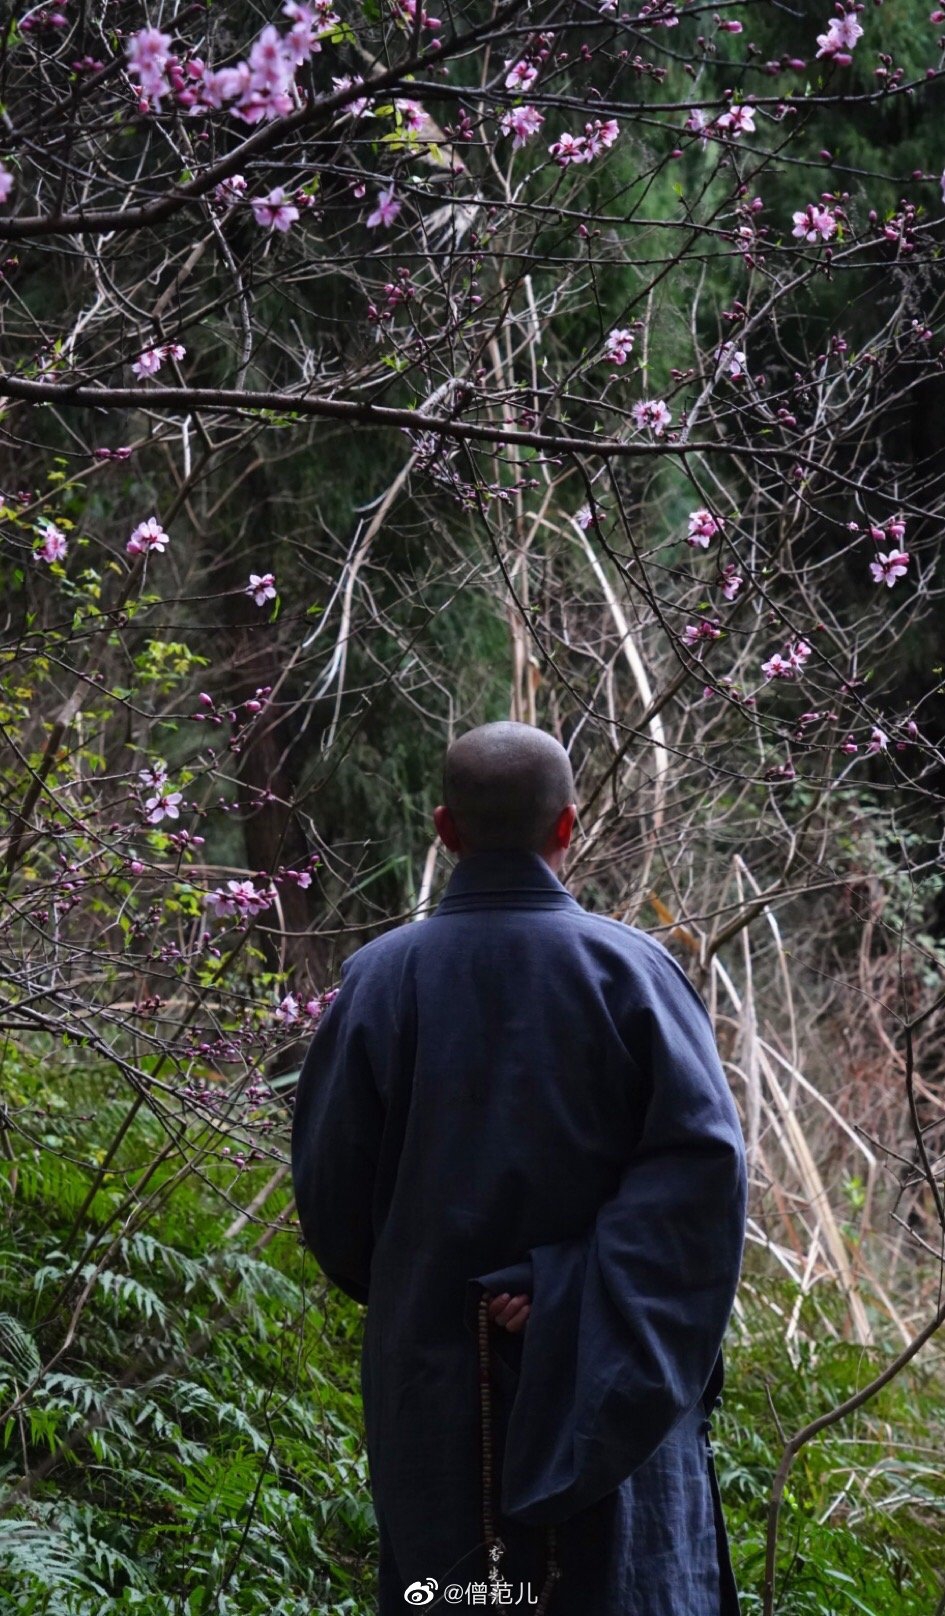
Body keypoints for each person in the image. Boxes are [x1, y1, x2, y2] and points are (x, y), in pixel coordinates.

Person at [291, 722, 748, 1615]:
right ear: (567, 827)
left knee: (455, 1594)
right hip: (615, 1375)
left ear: (443, 829)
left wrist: (454, 1293)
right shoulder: (635, 973)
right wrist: (583, 1293)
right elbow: (703, 1179)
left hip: (439, 1383)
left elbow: (334, 1208)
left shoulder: (377, 982)